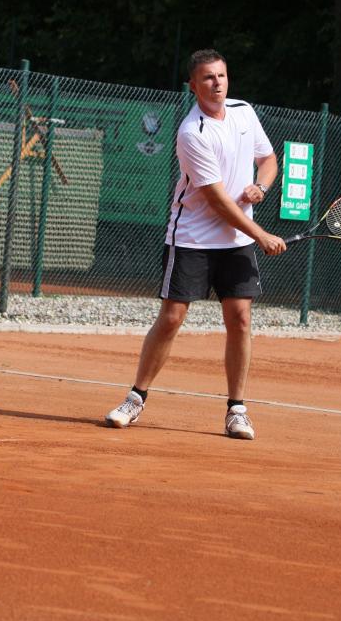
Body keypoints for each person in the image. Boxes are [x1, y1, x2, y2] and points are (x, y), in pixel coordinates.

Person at [105, 49, 287, 439]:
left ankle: (237, 410)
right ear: (193, 85)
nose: (217, 83)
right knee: (172, 318)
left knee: (240, 319)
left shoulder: (244, 113)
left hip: (237, 240)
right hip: (192, 238)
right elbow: (217, 200)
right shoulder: (192, 132)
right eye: (208, 77)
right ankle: (135, 398)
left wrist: (261, 186)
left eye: (221, 75)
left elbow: (269, 159)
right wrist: (261, 234)